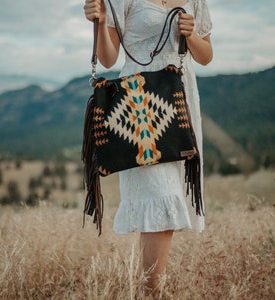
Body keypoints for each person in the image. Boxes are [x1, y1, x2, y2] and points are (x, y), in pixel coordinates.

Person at [84, 0, 213, 298]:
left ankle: (148, 291)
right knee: (160, 198)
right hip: (137, 105)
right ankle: (151, 292)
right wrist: (101, 23)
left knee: (166, 202)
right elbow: (107, 58)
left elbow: (205, 56)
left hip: (177, 100)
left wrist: (191, 35)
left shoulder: (196, 0)